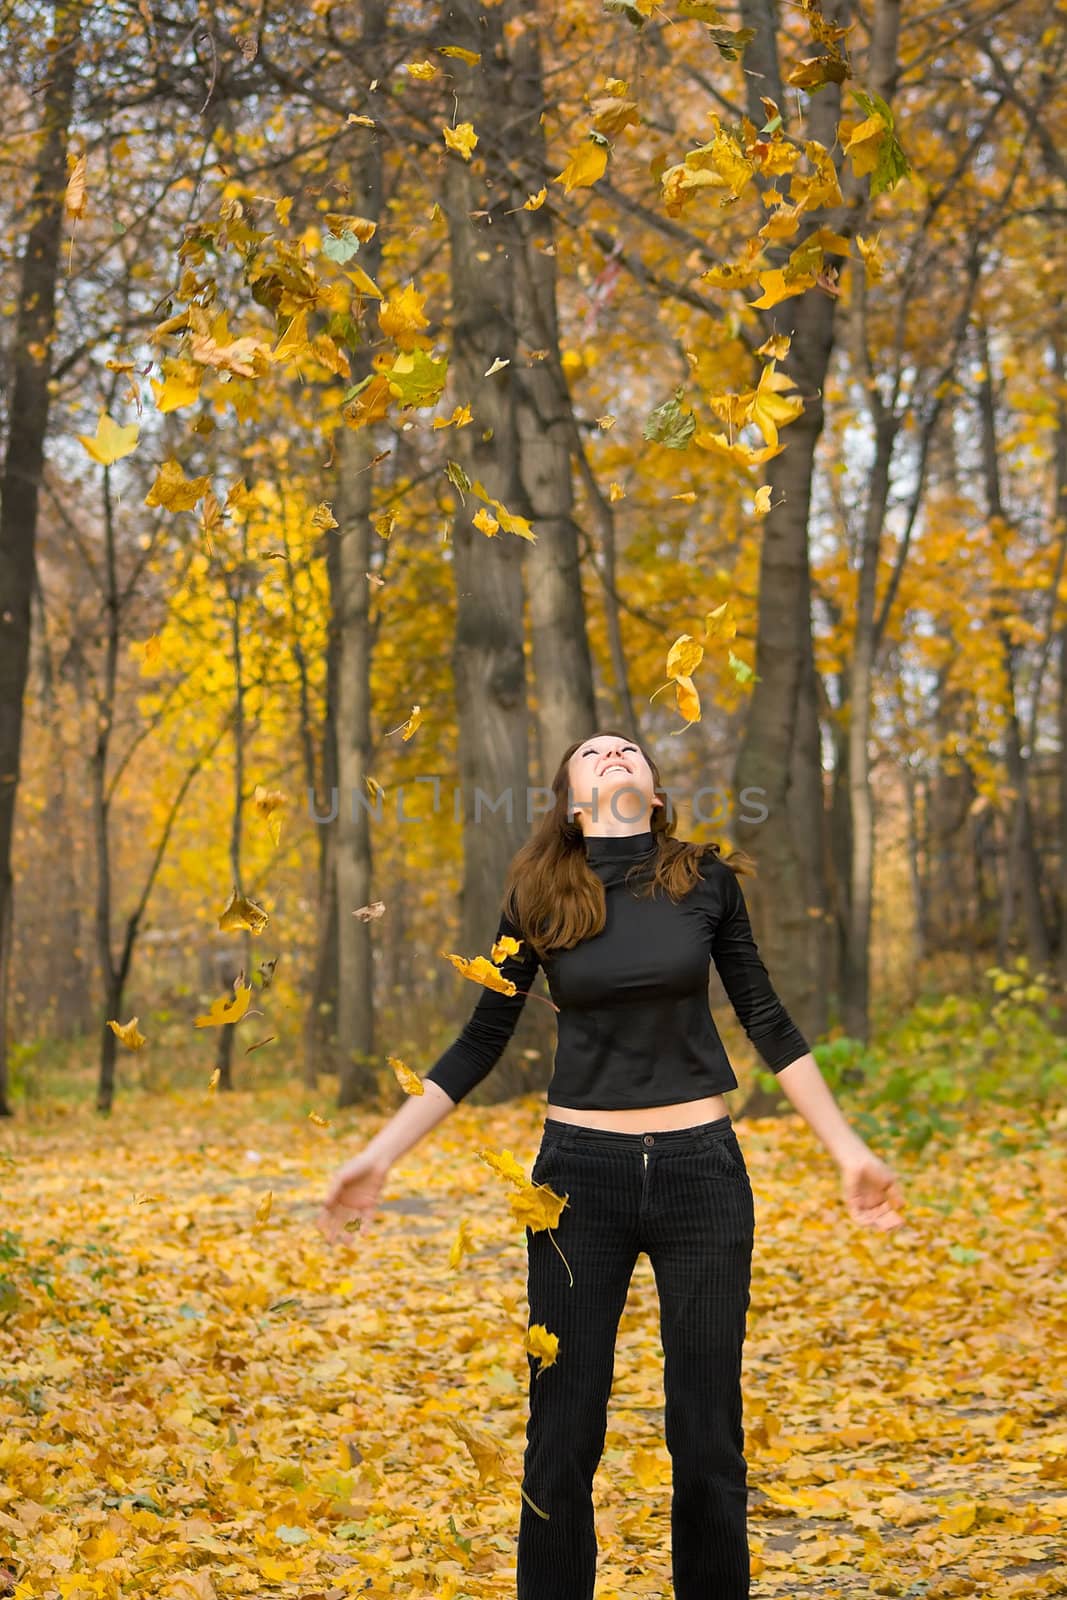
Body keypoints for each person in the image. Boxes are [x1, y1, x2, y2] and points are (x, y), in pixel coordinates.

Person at [317, 730, 905, 1600]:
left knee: (707, 1437)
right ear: (573, 801)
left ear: (657, 794)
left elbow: (767, 1019)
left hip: (701, 1175)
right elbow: (481, 1039)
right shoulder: (535, 895)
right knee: (562, 1435)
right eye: (593, 754)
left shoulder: (704, 880)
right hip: (573, 1186)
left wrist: (848, 1151)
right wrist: (378, 1155)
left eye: (629, 749)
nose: (614, 753)